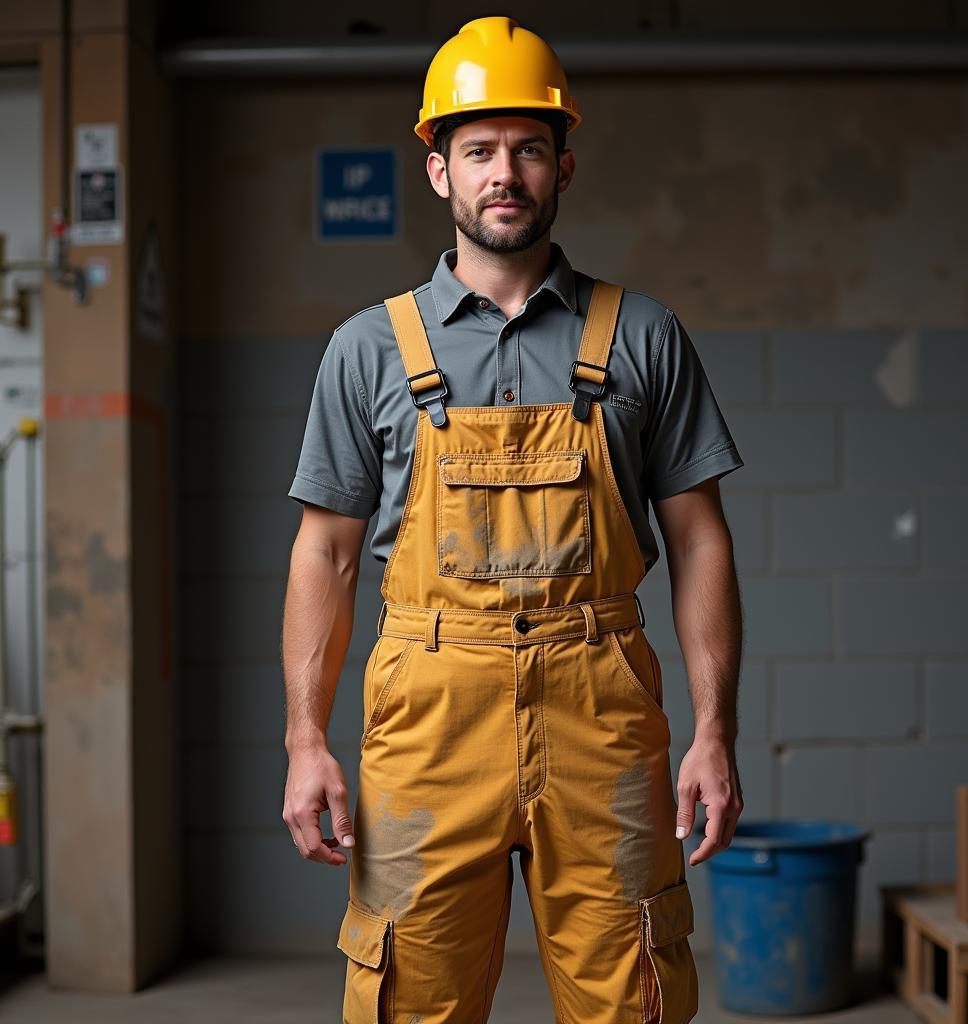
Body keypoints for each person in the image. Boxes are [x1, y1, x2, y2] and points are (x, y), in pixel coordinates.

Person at [282, 15, 745, 1023]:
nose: (505, 172)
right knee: (410, 997)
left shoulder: (644, 335)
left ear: (563, 167)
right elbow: (325, 548)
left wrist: (715, 730)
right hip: (428, 713)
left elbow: (701, 538)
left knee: (634, 991)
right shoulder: (368, 348)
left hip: (603, 707)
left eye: (528, 149)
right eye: (480, 150)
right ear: (438, 169)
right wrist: (305, 738)